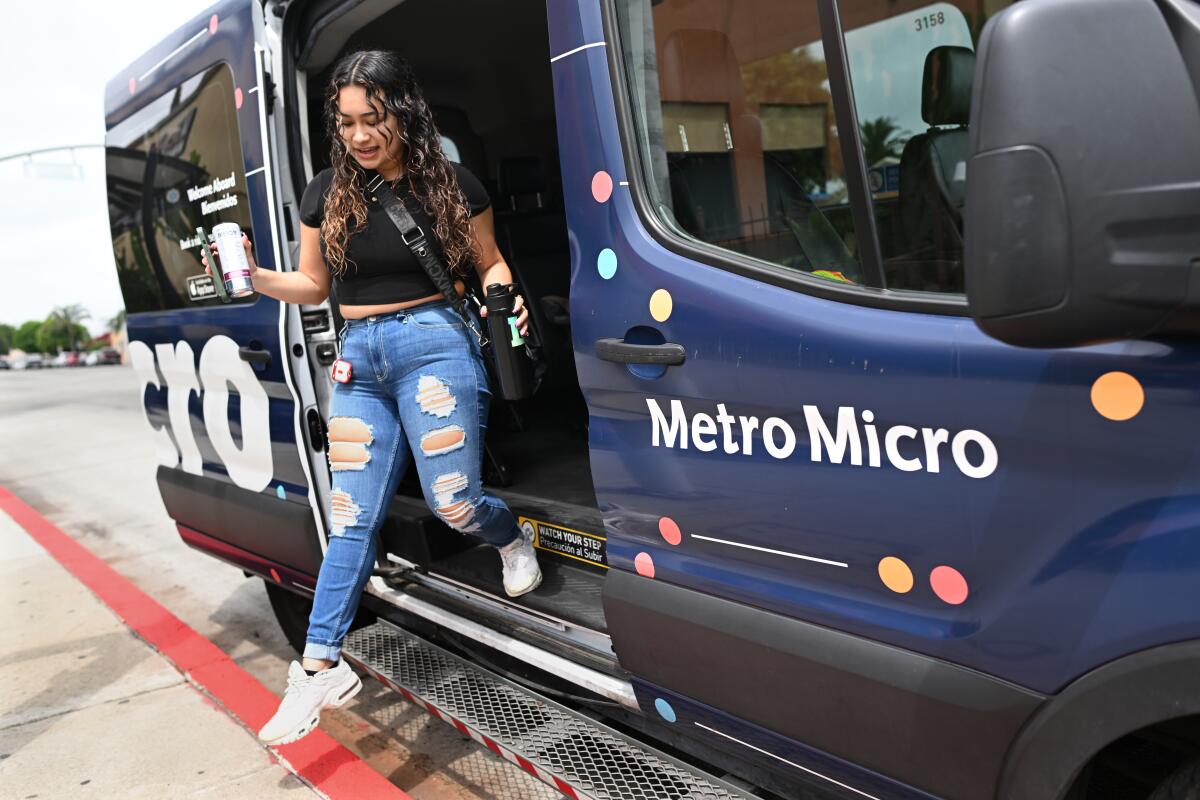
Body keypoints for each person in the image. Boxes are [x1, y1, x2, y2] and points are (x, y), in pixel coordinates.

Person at [202, 49, 542, 746]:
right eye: (348, 122)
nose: (359, 136)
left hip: (436, 345)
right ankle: (319, 666)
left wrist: (506, 297)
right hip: (359, 360)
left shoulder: (451, 183)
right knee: (351, 516)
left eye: (374, 120)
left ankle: (511, 537)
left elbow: (489, 261)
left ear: (404, 113)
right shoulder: (324, 192)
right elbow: (314, 286)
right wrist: (256, 278)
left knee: (454, 501)